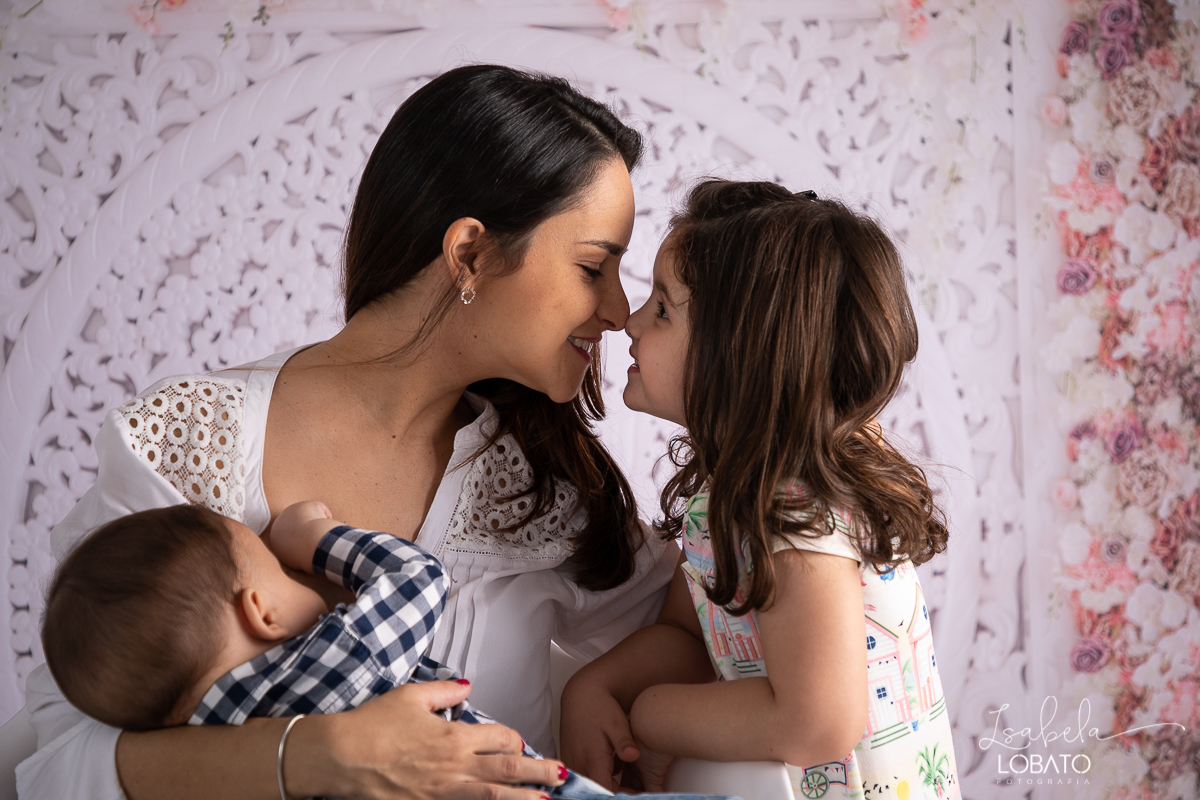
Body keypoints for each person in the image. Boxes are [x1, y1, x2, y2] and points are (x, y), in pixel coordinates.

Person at [19, 65, 678, 800]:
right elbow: (57, 766)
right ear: (469, 254)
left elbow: (714, 620)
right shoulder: (193, 440)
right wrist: (310, 755)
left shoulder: (545, 488)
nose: (619, 310)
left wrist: (599, 684)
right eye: (594, 266)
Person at [559, 181, 962, 800]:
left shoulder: (795, 509)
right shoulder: (733, 493)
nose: (632, 324)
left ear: (743, 353)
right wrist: (596, 687)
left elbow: (818, 722)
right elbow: (692, 635)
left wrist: (652, 715)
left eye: (663, 308)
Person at [42, 501, 726, 800]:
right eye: (279, 574)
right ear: (262, 609)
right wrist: (316, 538)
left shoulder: (201, 739)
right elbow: (416, 580)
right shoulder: (331, 662)